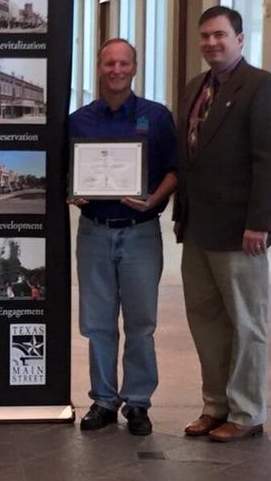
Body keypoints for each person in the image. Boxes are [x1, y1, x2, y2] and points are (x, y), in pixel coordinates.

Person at [173, 6, 271, 442]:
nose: (211, 43)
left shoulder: (262, 87)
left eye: (220, 35)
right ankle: (215, 406)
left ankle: (246, 411)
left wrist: (260, 222)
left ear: (240, 39)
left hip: (241, 232)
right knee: (206, 321)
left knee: (246, 322)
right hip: (197, 227)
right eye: (205, 36)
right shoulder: (194, 88)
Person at [68, 38, 178, 436]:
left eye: (124, 63)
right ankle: (102, 400)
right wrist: (73, 191)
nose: (116, 69)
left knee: (141, 323)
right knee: (97, 323)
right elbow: (68, 171)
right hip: (95, 232)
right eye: (109, 63)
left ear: (134, 68)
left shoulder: (157, 116)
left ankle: (138, 402)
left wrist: (153, 201)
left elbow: (174, 170)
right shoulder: (78, 120)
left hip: (141, 233)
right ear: (99, 67)